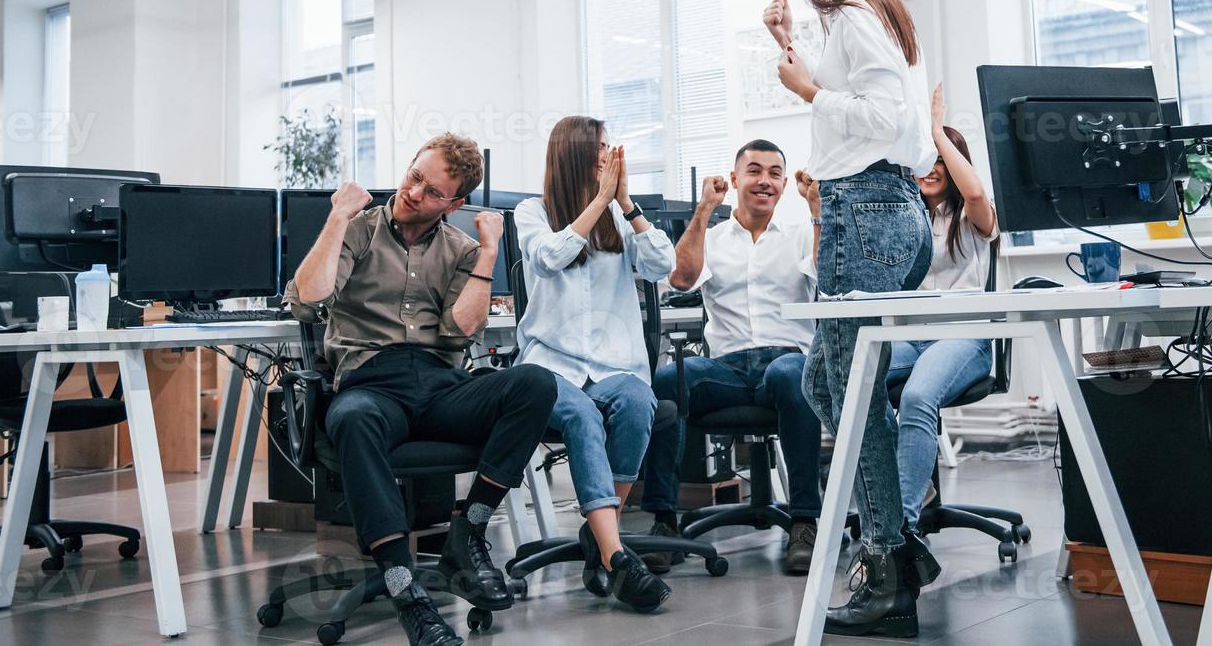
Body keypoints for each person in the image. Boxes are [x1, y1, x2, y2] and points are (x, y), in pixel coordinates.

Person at [286, 133, 558, 646]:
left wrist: (491, 252)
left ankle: (469, 530)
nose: (414, 193)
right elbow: (308, 297)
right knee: (351, 416)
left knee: (535, 384)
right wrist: (338, 217)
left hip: (439, 385)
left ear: (454, 204)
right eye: (415, 176)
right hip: (372, 381)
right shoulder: (359, 230)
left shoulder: (461, 249)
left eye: (433, 191)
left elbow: (462, 330)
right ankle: (403, 585)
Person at [763, 0, 938, 638]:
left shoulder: (859, 15)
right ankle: (900, 540)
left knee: (853, 395)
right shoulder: (876, 16)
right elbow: (875, 106)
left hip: (863, 210)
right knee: (824, 384)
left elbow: (877, 118)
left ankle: (887, 567)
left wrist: (806, 90)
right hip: (889, 210)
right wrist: (789, 42)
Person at [514, 115, 676, 612]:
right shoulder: (531, 212)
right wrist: (599, 202)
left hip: (612, 367)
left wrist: (625, 203)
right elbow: (548, 258)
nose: (608, 156)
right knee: (582, 415)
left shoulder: (617, 221)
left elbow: (661, 264)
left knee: (636, 401)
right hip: (550, 368)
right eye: (599, 147)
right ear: (573, 155)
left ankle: (601, 541)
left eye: (609, 147)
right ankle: (618, 558)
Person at [640, 140, 824, 575]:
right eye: (755, 171)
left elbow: (828, 278)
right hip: (727, 369)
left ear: (784, 183)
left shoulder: (801, 233)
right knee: (669, 380)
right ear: (735, 178)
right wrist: (703, 211)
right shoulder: (714, 237)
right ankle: (664, 523)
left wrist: (815, 208)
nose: (765, 180)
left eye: (775, 173)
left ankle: (804, 520)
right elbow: (682, 279)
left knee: (794, 372)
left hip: (785, 360)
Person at [886, 85, 1000, 545]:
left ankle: (902, 532)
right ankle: (909, 485)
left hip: (962, 338)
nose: (931, 169)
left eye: (940, 160)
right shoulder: (901, 219)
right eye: (924, 159)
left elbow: (973, 189)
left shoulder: (972, 217)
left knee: (915, 398)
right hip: (909, 337)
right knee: (847, 387)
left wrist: (936, 130)